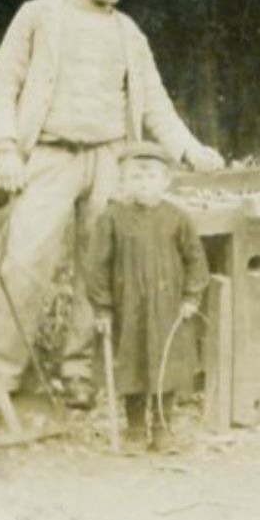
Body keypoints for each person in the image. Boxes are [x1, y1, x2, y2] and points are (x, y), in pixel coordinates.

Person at [0, 0, 224, 419]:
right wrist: (5, 147)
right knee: (25, 262)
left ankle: (79, 371)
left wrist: (191, 151)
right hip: (48, 156)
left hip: (111, 160)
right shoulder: (39, 16)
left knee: (101, 266)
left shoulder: (128, 32)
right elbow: (0, 84)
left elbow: (154, 101)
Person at [86, 142, 209, 451]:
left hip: (167, 308)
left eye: (151, 177)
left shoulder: (178, 219)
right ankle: (136, 428)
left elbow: (196, 260)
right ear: (124, 182)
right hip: (128, 308)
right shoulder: (112, 218)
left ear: (165, 181)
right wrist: (102, 307)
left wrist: (192, 297)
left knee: (166, 362)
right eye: (136, 178)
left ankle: (163, 427)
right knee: (132, 362)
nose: (144, 184)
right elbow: (96, 265)